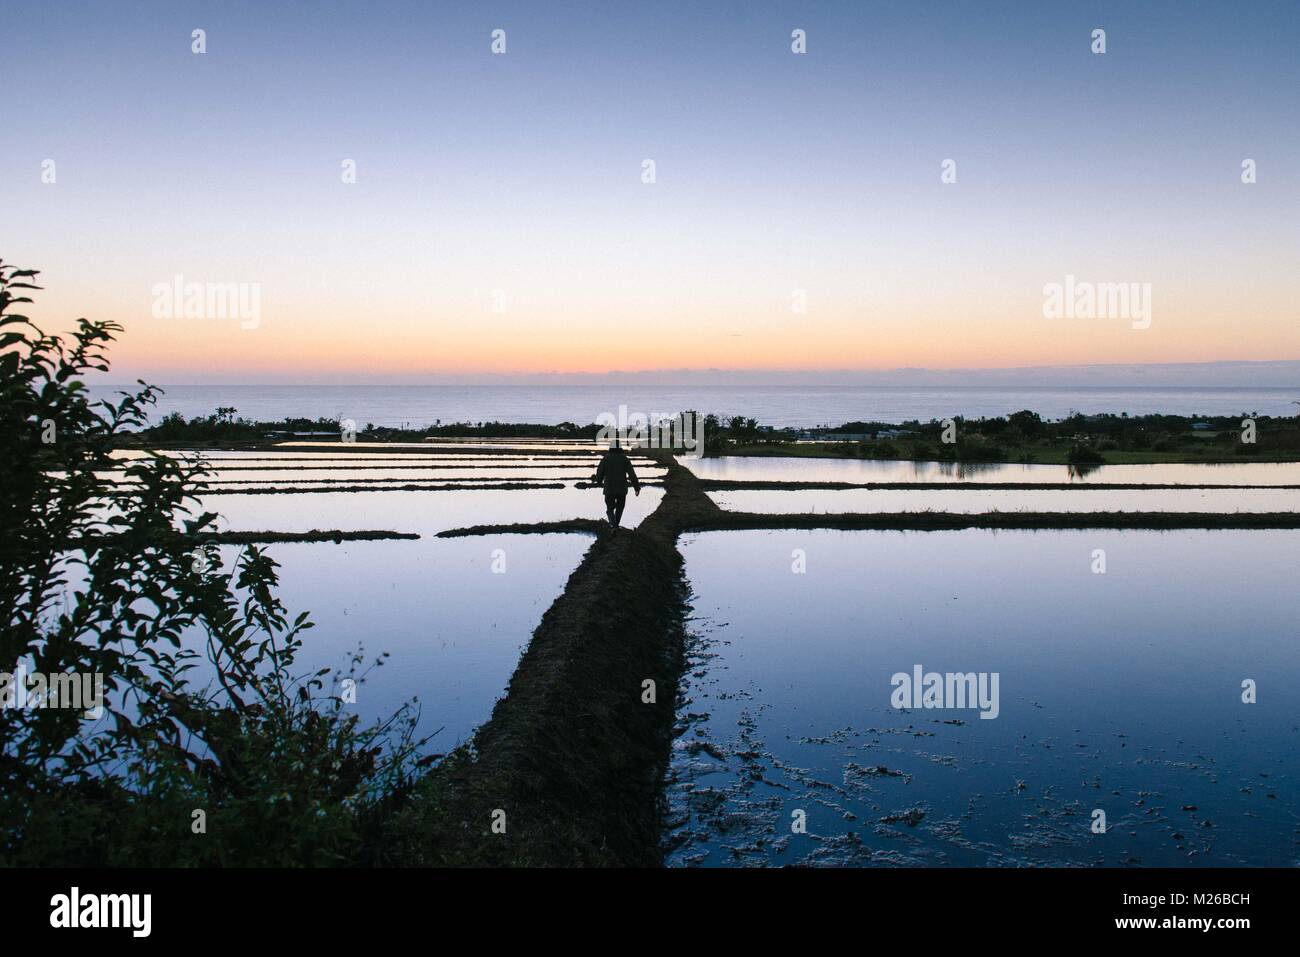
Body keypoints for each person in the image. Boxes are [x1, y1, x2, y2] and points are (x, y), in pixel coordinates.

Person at [593, 439, 641, 528]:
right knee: (620, 508)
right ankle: (615, 526)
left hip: (609, 488)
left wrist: (599, 482)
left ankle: (613, 525)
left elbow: (600, 472)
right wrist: (637, 487)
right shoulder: (624, 458)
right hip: (621, 489)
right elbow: (632, 474)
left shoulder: (606, 458)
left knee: (610, 509)